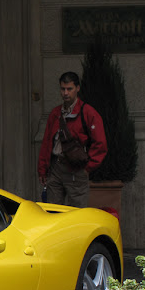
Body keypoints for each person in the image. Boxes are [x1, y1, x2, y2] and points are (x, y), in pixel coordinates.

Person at [38, 71, 107, 207]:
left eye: (69, 89)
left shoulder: (87, 112)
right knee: (53, 213)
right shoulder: (55, 113)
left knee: (77, 215)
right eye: (63, 89)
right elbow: (47, 143)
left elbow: (100, 144)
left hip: (76, 169)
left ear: (77, 88)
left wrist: (87, 168)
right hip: (56, 167)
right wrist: (42, 169)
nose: (65, 93)